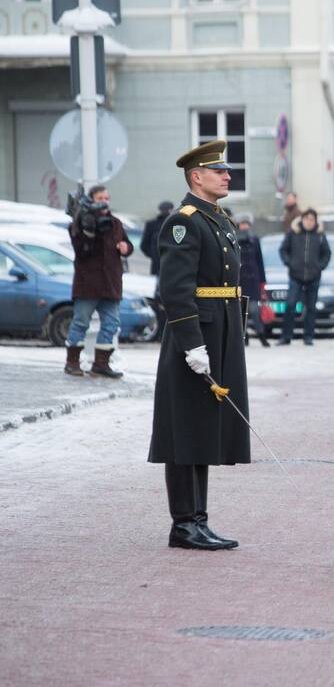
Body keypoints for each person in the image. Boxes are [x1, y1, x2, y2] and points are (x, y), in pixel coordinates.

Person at [148, 139, 249, 551]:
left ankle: (199, 520)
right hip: (195, 338)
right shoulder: (184, 220)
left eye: (226, 170)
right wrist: (191, 343)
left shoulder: (218, 218)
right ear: (196, 177)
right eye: (219, 170)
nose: (227, 175)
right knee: (185, 429)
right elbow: (175, 290)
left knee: (205, 427)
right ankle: (183, 524)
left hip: (220, 334)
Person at [63, 185, 133, 379]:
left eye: (106, 198)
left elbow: (128, 245)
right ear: (91, 200)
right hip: (88, 284)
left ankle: (101, 365)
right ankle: (72, 363)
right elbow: (81, 251)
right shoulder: (79, 223)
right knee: (80, 323)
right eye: (100, 197)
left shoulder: (116, 223)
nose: (104, 201)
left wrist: (126, 247)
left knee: (111, 324)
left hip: (111, 283)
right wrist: (89, 230)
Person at [278, 208, 331, 346]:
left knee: (311, 308)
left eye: (312, 219)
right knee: (290, 305)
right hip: (295, 275)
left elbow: (327, 253)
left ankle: (308, 336)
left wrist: (320, 266)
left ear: (315, 221)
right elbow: (283, 250)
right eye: (307, 219)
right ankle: (286, 336)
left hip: (314, 276)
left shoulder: (320, 235)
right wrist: (289, 263)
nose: (309, 222)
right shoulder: (293, 233)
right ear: (302, 219)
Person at [235, 213, 270, 348]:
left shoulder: (255, 239)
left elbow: (259, 260)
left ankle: (261, 335)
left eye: (246, 224)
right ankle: (244, 336)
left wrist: (263, 281)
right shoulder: (235, 239)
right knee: (241, 310)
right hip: (240, 280)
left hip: (253, 280)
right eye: (242, 224)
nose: (244, 226)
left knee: (254, 310)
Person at [140, 200, 173, 277]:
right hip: (169, 265)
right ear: (170, 210)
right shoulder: (174, 224)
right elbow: (144, 246)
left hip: (159, 265)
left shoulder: (151, 224)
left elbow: (144, 246)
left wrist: (153, 255)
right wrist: (154, 255)